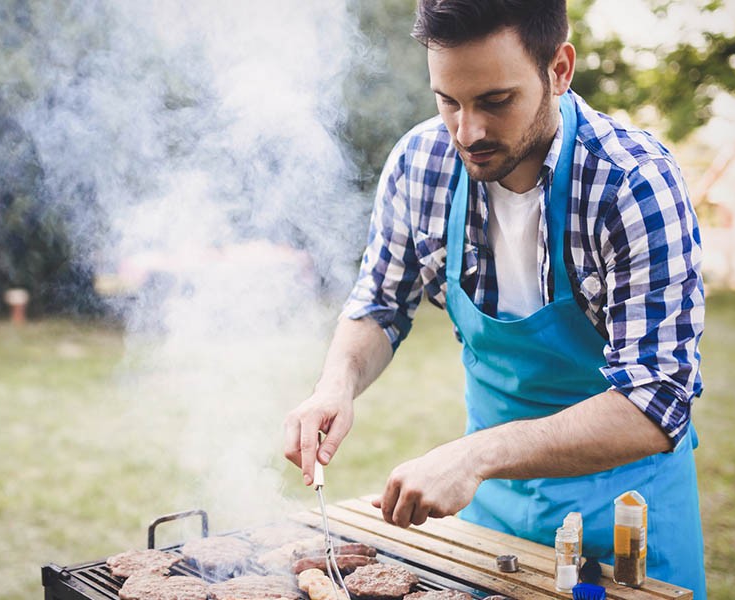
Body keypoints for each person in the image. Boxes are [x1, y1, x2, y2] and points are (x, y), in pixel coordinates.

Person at [282, 2, 707, 597]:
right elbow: (379, 304)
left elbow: (657, 400)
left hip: (629, 520)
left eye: (495, 101)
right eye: (448, 100)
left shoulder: (632, 184)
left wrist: (477, 456)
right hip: (491, 519)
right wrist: (335, 384)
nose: (468, 132)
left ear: (559, 69)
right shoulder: (422, 163)